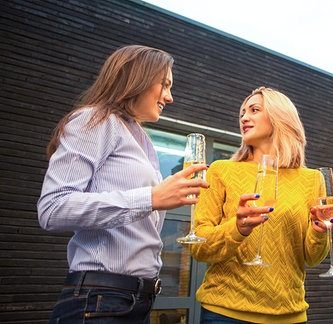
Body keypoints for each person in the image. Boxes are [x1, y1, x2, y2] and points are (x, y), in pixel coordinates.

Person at [37, 45, 209, 323]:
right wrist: (150, 198)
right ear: (136, 78)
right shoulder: (94, 121)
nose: (170, 96)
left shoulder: (141, 139)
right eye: (164, 84)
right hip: (99, 300)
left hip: (134, 300)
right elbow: (53, 209)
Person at [190, 86, 333, 323]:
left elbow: (312, 258)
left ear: (279, 117)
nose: (244, 117)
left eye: (254, 110)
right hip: (224, 313)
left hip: (289, 314)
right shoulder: (221, 170)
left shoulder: (312, 179)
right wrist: (237, 229)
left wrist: (318, 231)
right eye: (242, 112)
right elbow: (199, 248)